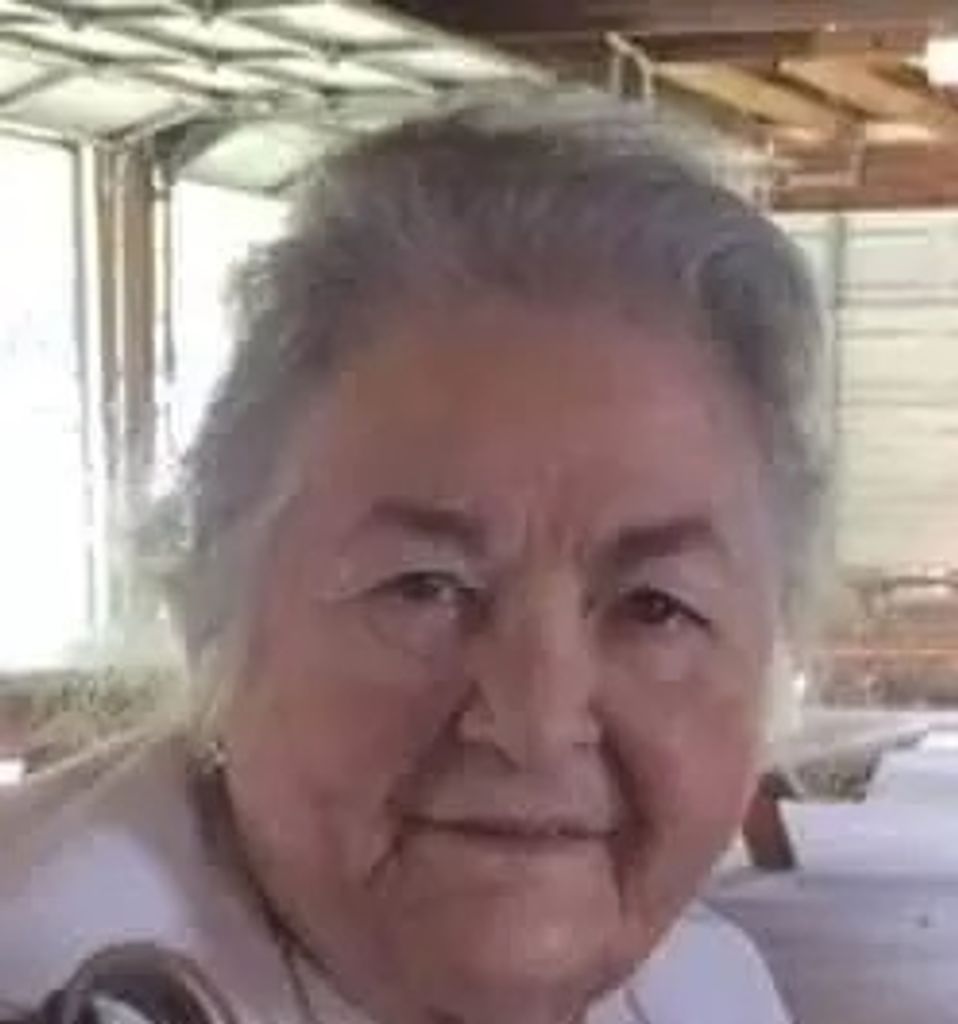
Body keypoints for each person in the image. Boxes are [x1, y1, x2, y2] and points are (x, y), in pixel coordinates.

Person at [0, 97, 827, 1024]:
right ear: (214, 617)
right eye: (424, 588)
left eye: (655, 607)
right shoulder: (53, 977)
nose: (537, 721)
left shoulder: (705, 989)